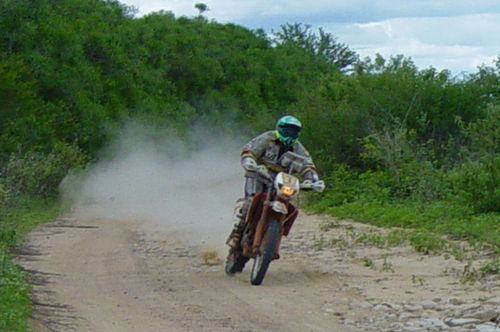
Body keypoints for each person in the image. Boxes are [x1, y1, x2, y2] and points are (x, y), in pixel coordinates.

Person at [226, 115, 321, 248]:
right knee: (250, 201)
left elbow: (307, 165)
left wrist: (312, 180)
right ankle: (236, 233)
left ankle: (275, 235)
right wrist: (249, 162)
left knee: (288, 205)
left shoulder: (298, 148)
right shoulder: (267, 138)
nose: (290, 135)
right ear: (279, 129)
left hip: (282, 180)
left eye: (293, 132)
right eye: (287, 131)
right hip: (259, 174)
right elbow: (249, 150)